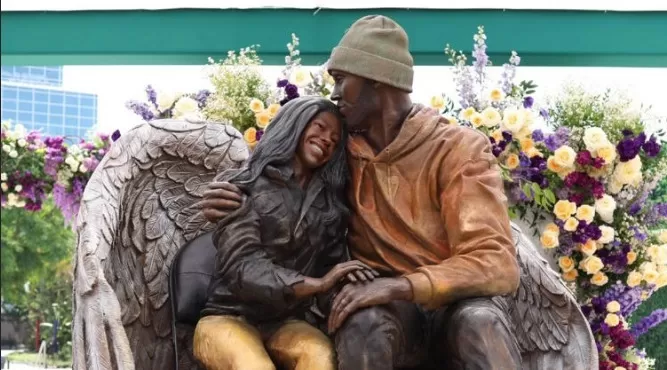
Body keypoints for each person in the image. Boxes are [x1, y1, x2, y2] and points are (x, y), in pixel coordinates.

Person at [200, 16, 523, 370]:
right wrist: (236, 191)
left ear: (376, 80)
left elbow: (496, 262)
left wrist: (398, 286)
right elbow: (279, 174)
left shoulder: (458, 148)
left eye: (340, 80)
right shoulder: (339, 152)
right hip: (388, 312)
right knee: (363, 326)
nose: (335, 95)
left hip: (457, 304)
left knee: (480, 325)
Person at [193, 96, 377, 370]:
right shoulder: (245, 186)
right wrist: (318, 284)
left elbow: (331, 269)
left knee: (320, 356)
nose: (327, 139)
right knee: (254, 366)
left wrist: (352, 291)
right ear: (294, 125)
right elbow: (244, 269)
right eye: (319, 127)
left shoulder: (330, 209)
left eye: (335, 140)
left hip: (284, 322)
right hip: (226, 316)